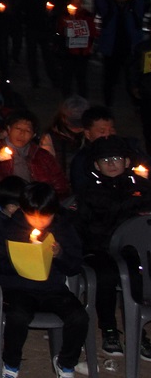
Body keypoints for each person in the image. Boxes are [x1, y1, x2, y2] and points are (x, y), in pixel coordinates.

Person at [0, 182, 87, 378]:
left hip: (52, 289)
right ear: (23, 210)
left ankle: (66, 364)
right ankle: (11, 364)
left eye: (45, 216)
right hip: (18, 289)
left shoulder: (63, 229)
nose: (39, 222)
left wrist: (59, 255)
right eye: (33, 216)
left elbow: (75, 265)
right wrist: (18, 261)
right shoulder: (9, 228)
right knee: (17, 316)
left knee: (79, 317)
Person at [73, 136, 151, 358]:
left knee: (137, 274)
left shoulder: (142, 187)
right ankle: (109, 328)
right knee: (105, 276)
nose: (111, 163)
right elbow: (82, 226)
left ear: (127, 161)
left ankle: (137, 329)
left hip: (133, 251)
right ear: (96, 165)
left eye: (116, 158)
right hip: (100, 250)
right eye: (105, 159)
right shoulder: (89, 191)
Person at [0, 110, 70, 198]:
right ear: (8, 129)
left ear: (33, 135)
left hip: (36, 205)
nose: (22, 133)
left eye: (27, 131)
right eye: (18, 128)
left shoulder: (42, 156)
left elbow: (60, 183)